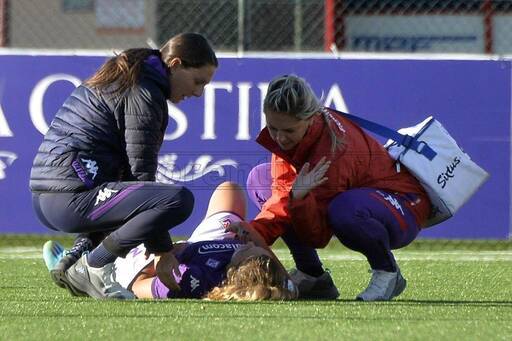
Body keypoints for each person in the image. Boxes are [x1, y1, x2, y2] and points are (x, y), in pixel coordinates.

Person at [31, 32, 218, 299]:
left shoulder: (134, 76)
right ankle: (94, 265)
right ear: (175, 64)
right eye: (198, 81)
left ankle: (74, 261)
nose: (199, 93)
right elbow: (141, 176)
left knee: (123, 190)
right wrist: (162, 250)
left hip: (47, 199)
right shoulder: (144, 92)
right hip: (68, 200)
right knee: (177, 200)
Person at [231, 74, 432, 301]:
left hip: (403, 204)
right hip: (368, 199)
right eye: (273, 127)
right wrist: (253, 231)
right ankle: (313, 276)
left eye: (289, 131)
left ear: (309, 118)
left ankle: (387, 272)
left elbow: (316, 236)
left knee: (343, 209)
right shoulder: (301, 132)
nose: (279, 138)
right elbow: (281, 199)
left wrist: (297, 199)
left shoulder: (332, 153)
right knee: (261, 179)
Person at [43, 182, 297, 301]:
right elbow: (275, 269)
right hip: (209, 239)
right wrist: (245, 231)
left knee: (132, 222)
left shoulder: (197, 280)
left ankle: (77, 260)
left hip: (161, 258)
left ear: (240, 269)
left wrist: (157, 256)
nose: (254, 245)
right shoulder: (281, 283)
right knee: (229, 189)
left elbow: (139, 288)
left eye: (251, 250)